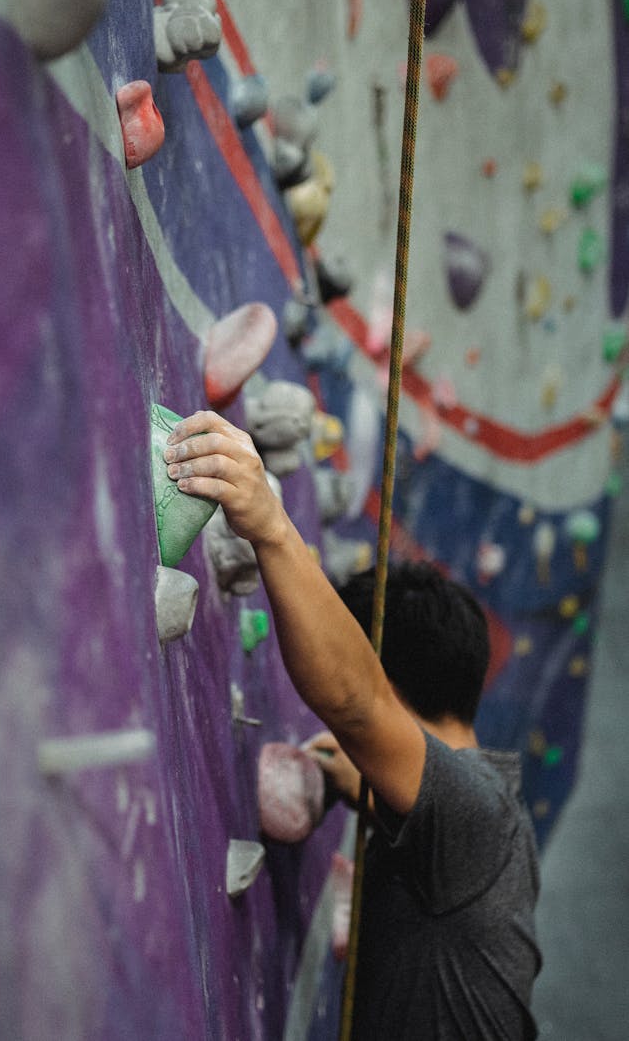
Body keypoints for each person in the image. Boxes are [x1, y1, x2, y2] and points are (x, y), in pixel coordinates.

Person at [163, 410, 541, 1040]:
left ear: (390, 686)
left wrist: (272, 528)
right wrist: (362, 791)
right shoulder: (493, 820)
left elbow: (357, 704)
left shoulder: (473, 813)